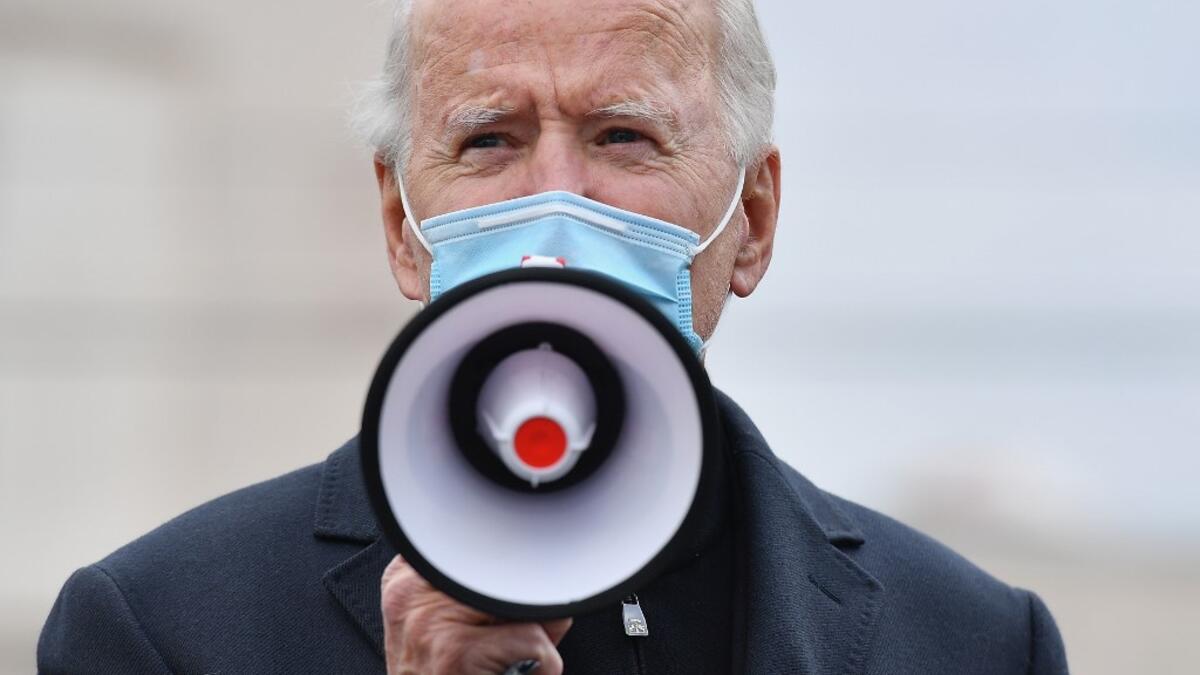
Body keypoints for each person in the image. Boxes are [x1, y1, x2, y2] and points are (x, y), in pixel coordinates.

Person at [38, 0, 1069, 673]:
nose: (556, 203)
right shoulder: (162, 632)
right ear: (404, 224)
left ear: (751, 219)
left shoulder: (972, 643)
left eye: (624, 135)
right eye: (490, 140)